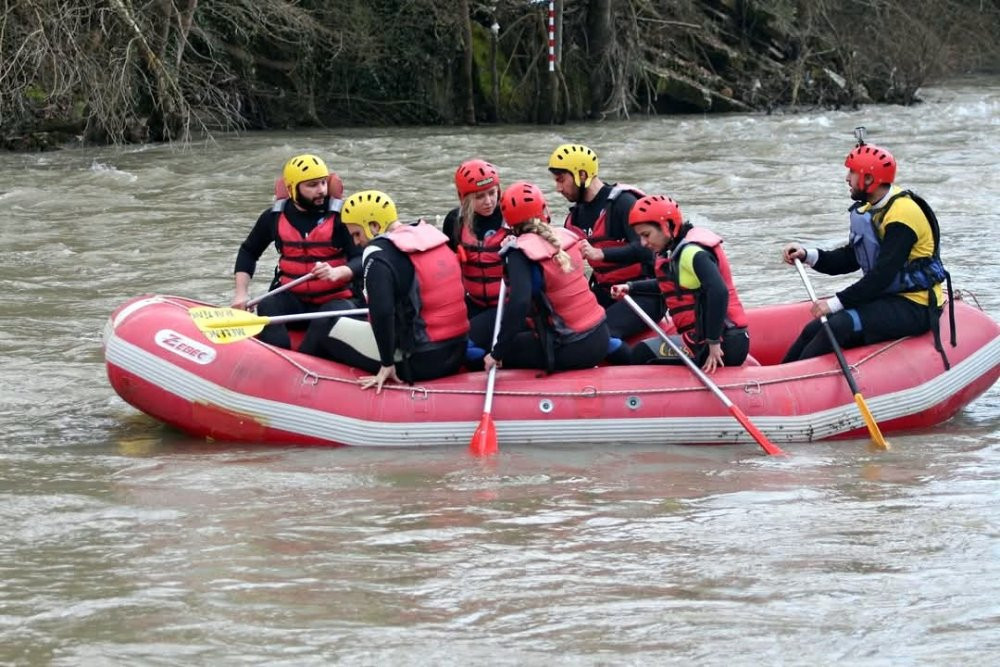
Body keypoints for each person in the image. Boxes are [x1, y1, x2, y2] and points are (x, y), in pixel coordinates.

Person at [781, 134, 953, 366]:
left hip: (916, 306)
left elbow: (881, 276)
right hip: (889, 299)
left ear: (869, 179)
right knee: (814, 328)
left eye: (851, 173)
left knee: (837, 325)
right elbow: (852, 257)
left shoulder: (903, 216)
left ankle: (796, 385)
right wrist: (809, 255)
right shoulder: (873, 209)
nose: (846, 179)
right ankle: (781, 373)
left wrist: (834, 303)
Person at [301, 190, 469, 393]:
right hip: (457, 352)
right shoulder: (429, 237)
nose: (355, 243)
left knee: (323, 323)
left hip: (419, 362)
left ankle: (301, 384)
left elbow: (382, 312)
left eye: (357, 233)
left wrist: (387, 364)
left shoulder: (377, 254)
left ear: (373, 226)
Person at [231, 154, 361, 348]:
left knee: (324, 321)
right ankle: (276, 359)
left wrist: (337, 272)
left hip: (336, 300)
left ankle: (307, 364)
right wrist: (241, 294)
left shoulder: (343, 217)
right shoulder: (273, 217)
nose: (321, 191)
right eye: (312, 185)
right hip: (294, 301)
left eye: (323, 183)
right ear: (292, 189)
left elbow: (362, 259)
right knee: (268, 305)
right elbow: (248, 251)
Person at [611, 195, 750, 373]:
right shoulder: (680, 251)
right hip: (720, 339)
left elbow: (719, 292)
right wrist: (631, 287)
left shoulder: (692, 253)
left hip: (720, 343)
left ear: (667, 226)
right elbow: (670, 285)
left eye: (646, 235)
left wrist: (713, 342)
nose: (644, 243)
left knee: (642, 352)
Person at [483, 182, 610, 373]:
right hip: (601, 335)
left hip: (571, 347)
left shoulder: (519, 253)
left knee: (492, 344)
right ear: (544, 209)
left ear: (509, 221)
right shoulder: (565, 237)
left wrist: (497, 353)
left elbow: (519, 304)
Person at [547, 143, 664, 346]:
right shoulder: (573, 218)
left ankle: (631, 363)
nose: (558, 188)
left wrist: (601, 254)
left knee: (600, 337)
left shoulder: (623, 203)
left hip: (642, 292)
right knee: (557, 329)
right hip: (605, 293)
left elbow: (646, 251)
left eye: (561, 180)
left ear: (582, 175)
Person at [442, 159, 509, 352]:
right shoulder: (454, 221)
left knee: (465, 345)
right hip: (474, 302)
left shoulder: (512, 217)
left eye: (492, 193)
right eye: (479, 196)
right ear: (463, 198)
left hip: (508, 306)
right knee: (446, 340)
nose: (488, 201)